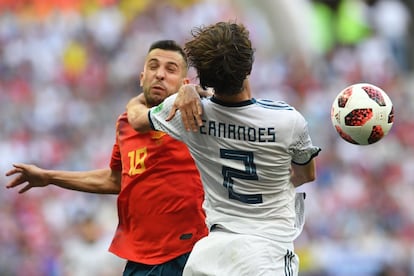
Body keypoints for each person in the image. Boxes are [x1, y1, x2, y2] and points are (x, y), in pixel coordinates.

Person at [127, 22, 321, 275]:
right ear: (249, 67)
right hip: (266, 256)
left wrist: (187, 90)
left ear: (204, 77)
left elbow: (136, 118)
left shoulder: (186, 113)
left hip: (208, 258)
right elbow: (306, 175)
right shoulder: (288, 121)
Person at [5, 40, 208, 276]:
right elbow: (116, 179)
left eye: (171, 69)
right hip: (140, 259)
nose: (160, 74)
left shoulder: (196, 115)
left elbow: (233, 98)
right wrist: (49, 177)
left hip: (189, 253)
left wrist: (196, 91)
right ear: (142, 77)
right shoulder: (125, 124)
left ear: (184, 82)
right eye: (153, 66)